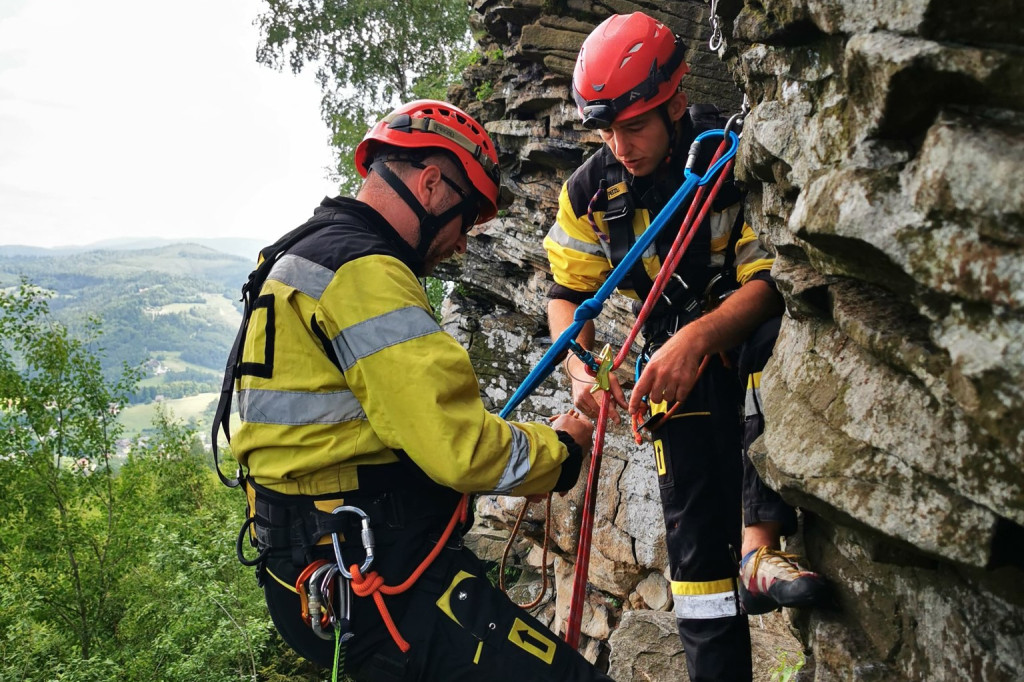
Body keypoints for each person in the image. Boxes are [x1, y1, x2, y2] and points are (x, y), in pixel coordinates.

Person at [220, 99, 613, 681]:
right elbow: (460, 447)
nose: (460, 244)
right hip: (382, 586)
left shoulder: (295, 254)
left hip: (306, 574)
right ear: (431, 184)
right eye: (466, 219)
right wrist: (564, 452)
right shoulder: (365, 272)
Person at [543, 13, 828, 681]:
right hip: (676, 366)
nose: (621, 145)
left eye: (634, 125)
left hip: (745, 338)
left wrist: (699, 338)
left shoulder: (728, 156)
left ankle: (760, 548)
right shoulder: (590, 191)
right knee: (696, 553)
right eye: (607, 130)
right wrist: (579, 364)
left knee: (766, 341)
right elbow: (566, 293)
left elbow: (769, 284)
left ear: (673, 102)